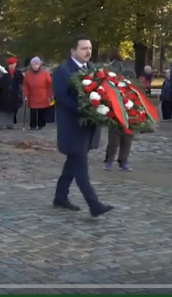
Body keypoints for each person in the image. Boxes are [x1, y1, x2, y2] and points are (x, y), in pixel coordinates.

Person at [52, 36, 113, 217]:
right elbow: (62, 98)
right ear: (73, 51)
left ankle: (60, 197)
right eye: (83, 48)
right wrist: (85, 110)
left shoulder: (92, 70)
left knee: (73, 163)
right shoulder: (63, 72)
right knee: (80, 167)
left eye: (90, 48)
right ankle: (94, 205)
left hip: (88, 127)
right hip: (72, 127)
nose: (88, 51)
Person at [23, 57, 52, 130]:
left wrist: (50, 95)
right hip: (32, 95)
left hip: (42, 95)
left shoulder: (45, 73)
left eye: (36, 65)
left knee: (41, 111)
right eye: (33, 65)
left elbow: (50, 85)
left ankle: (41, 125)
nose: (35, 66)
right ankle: (33, 125)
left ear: (39, 65)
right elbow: (25, 85)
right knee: (33, 111)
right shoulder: (28, 74)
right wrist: (25, 94)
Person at [0, 57, 24, 129]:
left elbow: (22, 83)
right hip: (4, 95)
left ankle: (10, 124)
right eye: (10, 64)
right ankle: (1, 124)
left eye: (13, 64)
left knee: (12, 110)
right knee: (2, 110)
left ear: (15, 64)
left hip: (14, 95)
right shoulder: (4, 73)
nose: (11, 66)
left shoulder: (18, 74)